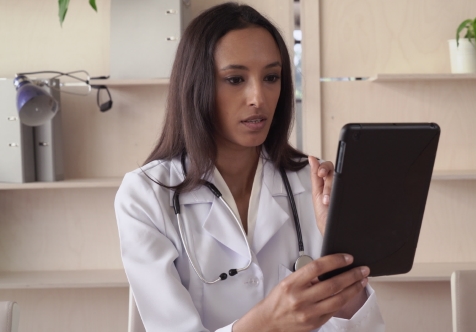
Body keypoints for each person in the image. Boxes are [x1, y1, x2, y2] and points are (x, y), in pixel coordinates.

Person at [114, 3, 385, 331]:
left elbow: (362, 327)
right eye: (235, 79)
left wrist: (342, 249)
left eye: (271, 77)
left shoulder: (311, 182)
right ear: (196, 85)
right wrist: (267, 322)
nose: (259, 97)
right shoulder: (145, 195)